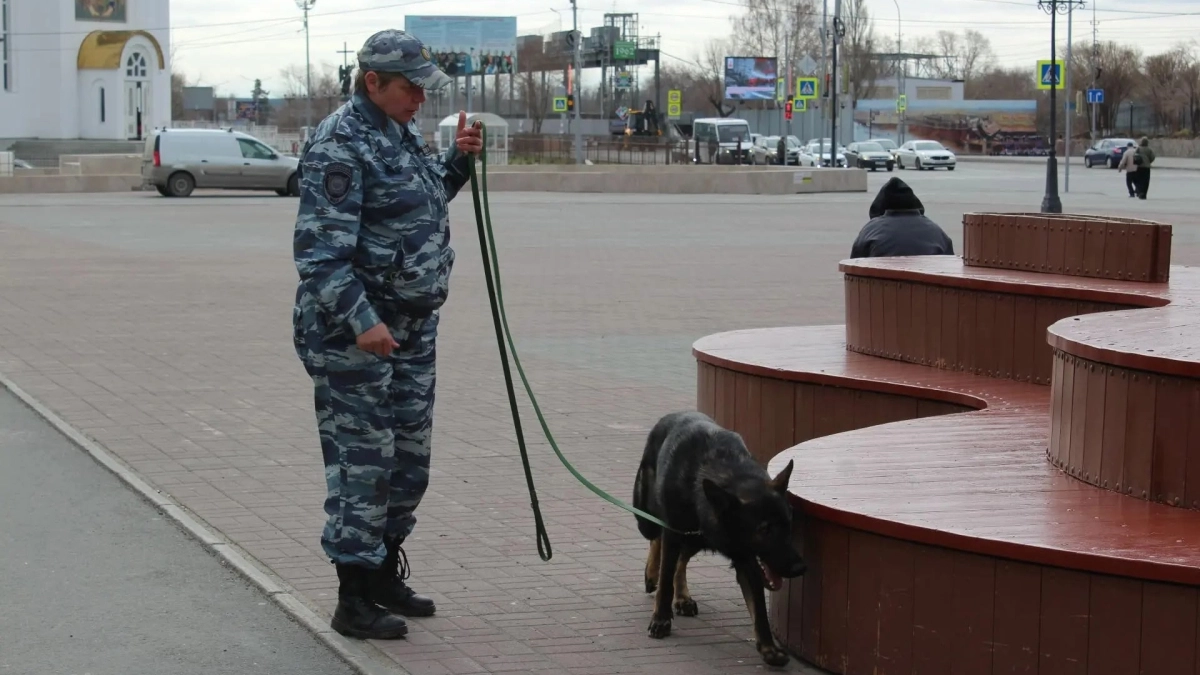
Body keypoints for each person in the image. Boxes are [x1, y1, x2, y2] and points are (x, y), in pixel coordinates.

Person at [291, 28, 483, 641]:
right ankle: (352, 598)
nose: (420, 99)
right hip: (354, 337)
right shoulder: (340, 143)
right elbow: (319, 256)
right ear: (372, 82)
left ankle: (380, 575)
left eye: (424, 89)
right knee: (364, 465)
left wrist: (457, 162)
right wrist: (362, 321)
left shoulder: (400, 133)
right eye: (410, 88)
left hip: (410, 329)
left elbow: (422, 201)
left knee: (409, 462)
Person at [850, 177, 955, 259]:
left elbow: (854, 264)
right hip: (927, 280)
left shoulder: (870, 230)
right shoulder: (937, 232)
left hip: (882, 280)